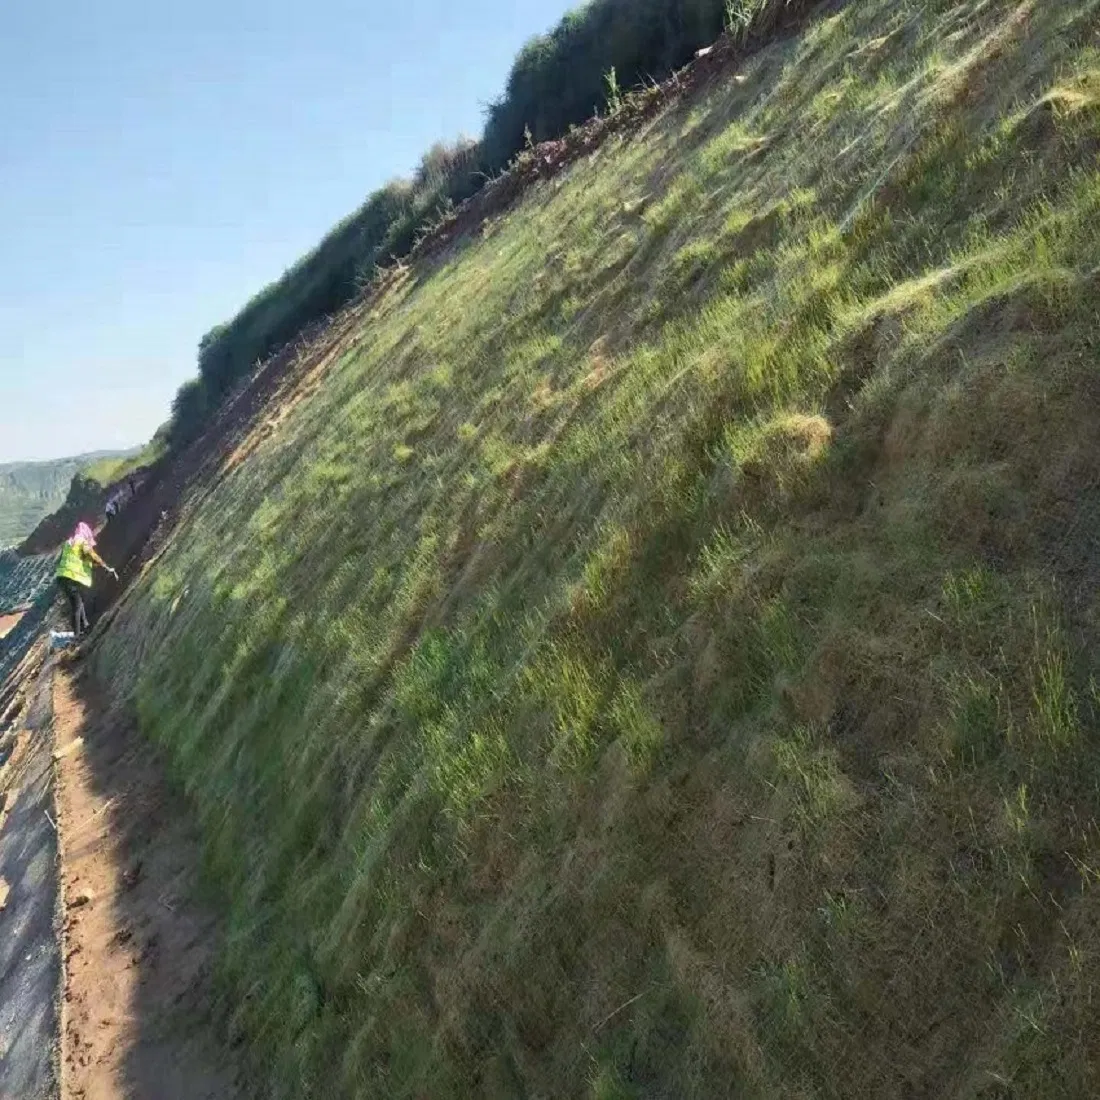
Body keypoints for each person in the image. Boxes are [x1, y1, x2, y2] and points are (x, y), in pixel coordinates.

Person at [55, 522, 117, 637]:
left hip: (63, 577)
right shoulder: (82, 541)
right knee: (77, 606)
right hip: (72, 576)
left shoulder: (69, 543)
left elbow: (73, 558)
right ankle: (77, 635)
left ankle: (85, 626)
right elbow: (91, 554)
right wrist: (104, 566)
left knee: (79, 602)